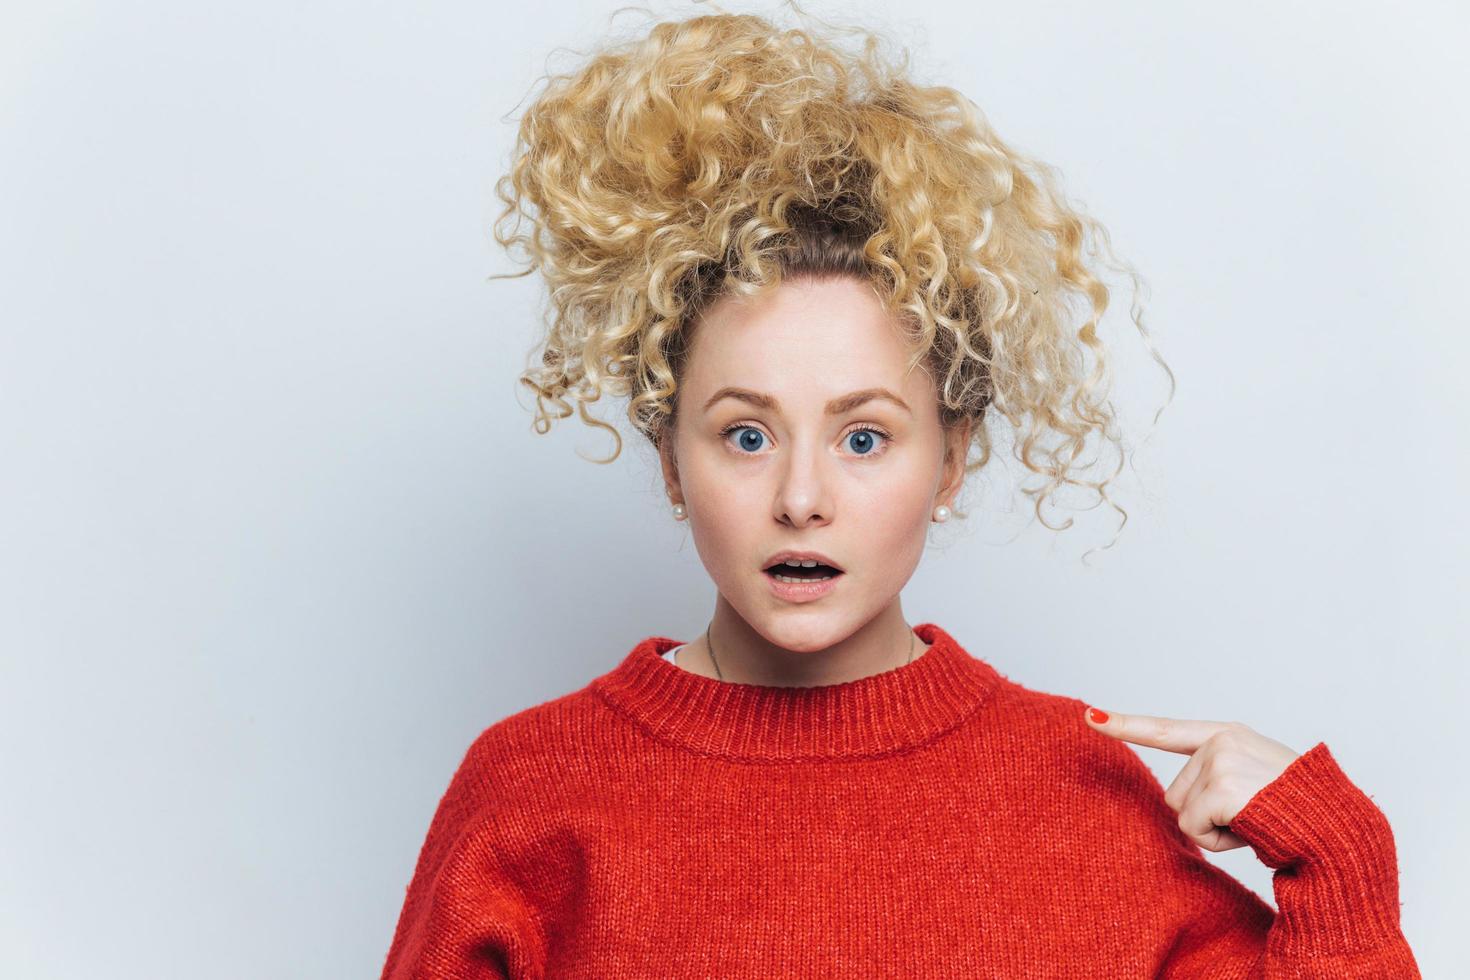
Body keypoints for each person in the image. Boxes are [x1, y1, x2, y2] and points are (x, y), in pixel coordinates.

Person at [380, 6, 1419, 976]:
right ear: (667, 459)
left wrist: (1338, 854)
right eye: (746, 433)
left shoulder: (1076, 789)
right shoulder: (532, 788)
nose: (801, 495)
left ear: (953, 458)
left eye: (865, 436)